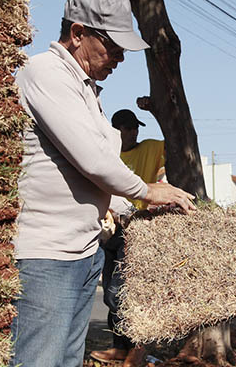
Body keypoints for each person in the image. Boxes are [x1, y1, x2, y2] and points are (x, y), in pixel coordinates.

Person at [10, 0, 196, 367]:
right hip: (47, 253)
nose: (120, 59)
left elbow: (93, 170)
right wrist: (148, 191)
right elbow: (92, 159)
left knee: (65, 361)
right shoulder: (45, 72)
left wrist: (127, 209)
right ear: (78, 34)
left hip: (82, 250)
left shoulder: (86, 89)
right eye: (113, 48)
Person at [90, 109, 165, 366]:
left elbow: (176, 147)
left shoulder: (151, 148)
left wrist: (156, 108)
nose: (134, 132)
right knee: (110, 290)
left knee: (120, 293)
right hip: (109, 227)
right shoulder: (107, 152)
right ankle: (120, 347)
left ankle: (137, 349)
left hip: (137, 228)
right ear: (116, 130)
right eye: (128, 128)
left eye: (136, 128)